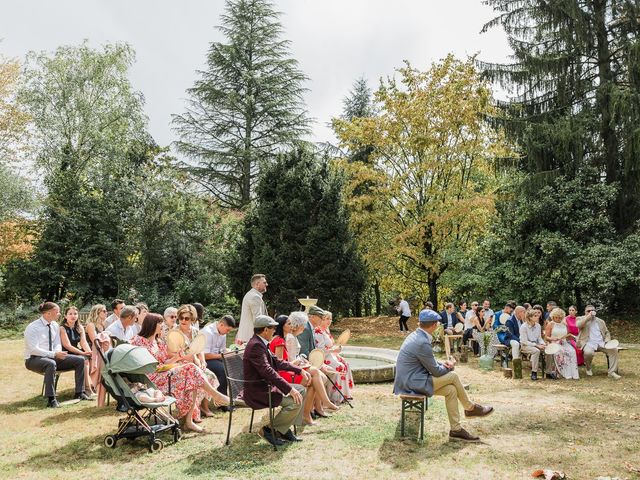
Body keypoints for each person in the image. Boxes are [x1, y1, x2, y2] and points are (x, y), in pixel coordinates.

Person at [393, 308, 493, 442]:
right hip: (412, 382)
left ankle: (456, 430)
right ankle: (470, 408)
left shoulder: (418, 335)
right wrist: (450, 366)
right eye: (438, 323)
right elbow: (436, 371)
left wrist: (443, 363)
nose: (439, 325)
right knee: (453, 376)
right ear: (434, 325)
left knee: (451, 390)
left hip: (413, 378)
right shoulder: (422, 342)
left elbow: (429, 361)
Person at [131, 313, 229, 433]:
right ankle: (215, 396)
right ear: (152, 325)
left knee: (192, 376)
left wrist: (177, 357)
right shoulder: (139, 341)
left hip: (164, 373)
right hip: (151, 379)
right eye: (160, 323)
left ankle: (189, 422)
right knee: (191, 369)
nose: (162, 325)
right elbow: (139, 364)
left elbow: (165, 361)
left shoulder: (159, 342)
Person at [243, 315, 311, 446]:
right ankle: (268, 430)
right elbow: (268, 371)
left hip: (264, 387)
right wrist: (290, 389)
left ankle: (284, 429)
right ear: (265, 330)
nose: (275, 330)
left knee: (301, 390)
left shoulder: (260, 342)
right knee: (295, 401)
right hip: (259, 391)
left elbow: (277, 361)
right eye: (273, 328)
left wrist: (299, 370)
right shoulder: (256, 346)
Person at [24, 302, 91, 407]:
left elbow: (57, 343)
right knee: (50, 363)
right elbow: (33, 350)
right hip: (34, 359)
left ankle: (79, 393)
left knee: (80, 360)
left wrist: (58, 352)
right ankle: (51, 399)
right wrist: (54, 354)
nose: (59, 314)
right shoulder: (32, 327)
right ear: (49, 313)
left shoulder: (55, 325)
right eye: (57, 312)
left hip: (53, 356)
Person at [174, 304, 220, 417]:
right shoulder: (175, 332)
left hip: (196, 363)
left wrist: (203, 361)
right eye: (181, 318)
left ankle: (204, 407)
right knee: (197, 378)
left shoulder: (195, 331)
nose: (183, 320)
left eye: (186, 318)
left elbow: (200, 349)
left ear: (192, 319)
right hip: (181, 364)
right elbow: (176, 353)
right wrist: (195, 361)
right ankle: (194, 411)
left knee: (210, 376)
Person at [314, 311, 354, 404]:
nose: (329, 321)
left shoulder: (327, 330)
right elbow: (320, 350)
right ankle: (334, 397)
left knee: (345, 364)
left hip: (330, 355)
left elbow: (331, 346)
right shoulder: (318, 332)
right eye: (327, 319)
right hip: (322, 358)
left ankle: (344, 394)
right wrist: (333, 351)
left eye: (330, 319)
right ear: (322, 320)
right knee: (339, 366)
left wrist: (338, 354)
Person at [577, 305, 620, 379]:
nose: (591, 312)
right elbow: (579, 325)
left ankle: (611, 372)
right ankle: (588, 368)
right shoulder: (580, 318)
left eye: (592, 310)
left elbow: (607, 332)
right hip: (588, 343)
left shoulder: (600, 321)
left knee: (614, 350)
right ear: (585, 312)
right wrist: (587, 317)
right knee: (588, 353)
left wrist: (607, 340)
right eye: (588, 311)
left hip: (601, 343)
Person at [201, 315, 236, 405]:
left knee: (235, 364)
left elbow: (223, 350)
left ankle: (235, 397)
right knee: (222, 370)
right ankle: (222, 402)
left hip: (216, 358)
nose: (227, 333)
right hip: (204, 360)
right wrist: (222, 355)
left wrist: (230, 353)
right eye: (227, 330)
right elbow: (205, 355)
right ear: (221, 325)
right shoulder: (207, 332)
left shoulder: (222, 333)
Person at [59, 306, 94, 395]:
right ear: (65, 316)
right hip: (66, 353)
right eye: (70, 314)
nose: (73, 316)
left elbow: (83, 343)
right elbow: (67, 346)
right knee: (84, 360)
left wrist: (90, 352)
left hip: (76, 352)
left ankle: (93, 385)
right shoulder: (62, 328)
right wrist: (82, 353)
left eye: (75, 314)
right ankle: (88, 389)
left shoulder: (80, 327)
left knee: (92, 358)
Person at [543, 307, 579, 380]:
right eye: (556, 317)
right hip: (554, 343)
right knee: (560, 352)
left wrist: (571, 337)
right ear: (553, 317)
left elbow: (568, 335)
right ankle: (563, 372)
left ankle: (573, 373)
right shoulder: (551, 324)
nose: (558, 319)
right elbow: (546, 337)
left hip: (564, 342)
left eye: (560, 317)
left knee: (572, 351)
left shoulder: (565, 324)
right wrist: (553, 339)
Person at [236, 274, 268, 345]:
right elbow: (258, 320)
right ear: (257, 284)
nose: (267, 284)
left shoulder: (251, 295)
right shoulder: (254, 297)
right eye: (264, 283)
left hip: (248, 338)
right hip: (251, 338)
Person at [520, 308, 546, 381]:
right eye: (535, 316)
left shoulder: (538, 326)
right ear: (530, 317)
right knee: (536, 351)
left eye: (538, 315)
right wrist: (536, 345)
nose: (538, 317)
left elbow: (539, 338)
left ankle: (549, 371)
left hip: (536, 344)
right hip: (525, 345)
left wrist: (543, 344)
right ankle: (534, 372)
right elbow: (524, 341)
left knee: (548, 349)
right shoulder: (523, 327)